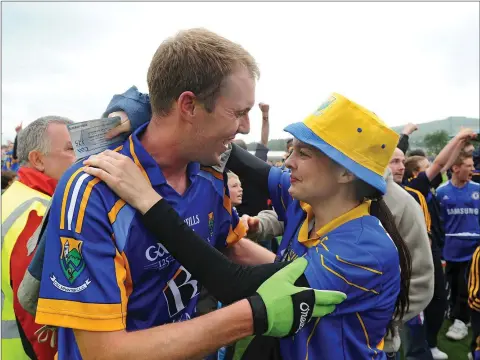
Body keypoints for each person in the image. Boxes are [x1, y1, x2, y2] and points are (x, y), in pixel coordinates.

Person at [35, 28, 342, 360]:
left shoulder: (211, 175)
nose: (246, 128)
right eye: (238, 112)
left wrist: (318, 279)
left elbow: (229, 246)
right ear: (189, 106)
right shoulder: (94, 187)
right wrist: (250, 316)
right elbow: (103, 351)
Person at [85, 92, 412, 359]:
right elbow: (238, 158)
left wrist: (148, 200)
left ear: (346, 174)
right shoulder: (305, 202)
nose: (289, 162)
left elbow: (234, 283)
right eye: (291, 149)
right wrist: (156, 115)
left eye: (305, 154)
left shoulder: (361, 250)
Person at [2, 116, 75, 360]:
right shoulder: (41, 213)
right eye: (71, 148)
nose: (81, 157)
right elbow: (36, 311)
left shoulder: (13, 196)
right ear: (38, 159)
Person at [437, 152, 480, 341]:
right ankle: (460, 316)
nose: (473, 169)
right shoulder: (441, 192)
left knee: (465, 285)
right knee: (454, 285)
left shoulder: (478, 189)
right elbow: (439, 222)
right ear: (455, 168)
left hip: (473, 249)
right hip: (451, 249)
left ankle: (461, 321)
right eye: (469, 166)